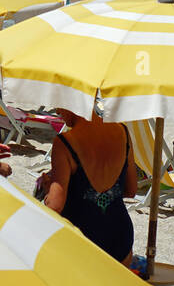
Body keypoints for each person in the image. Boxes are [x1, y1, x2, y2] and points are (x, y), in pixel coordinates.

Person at [43, 109, 138, 265]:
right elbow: (131, 190)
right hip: (120, 238)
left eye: (59, 104)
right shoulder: (122, 131)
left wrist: (48, 189)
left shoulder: (65, 142)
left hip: (82, 241)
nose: (57, 110)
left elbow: (54, 206)